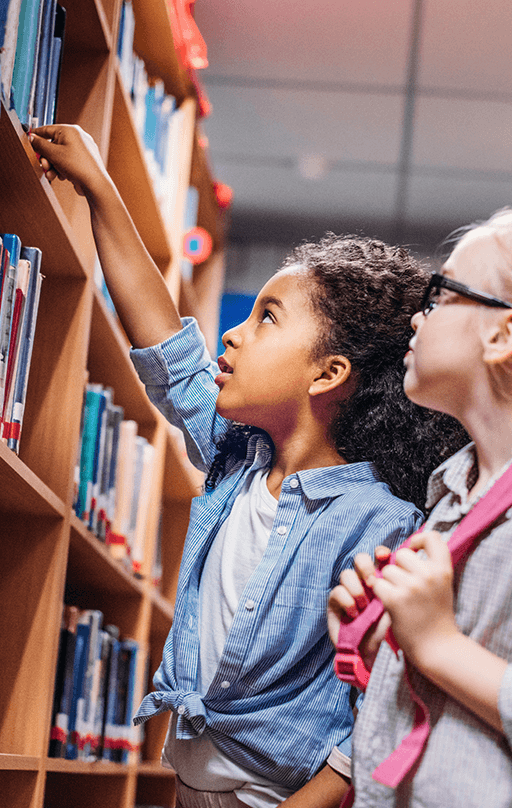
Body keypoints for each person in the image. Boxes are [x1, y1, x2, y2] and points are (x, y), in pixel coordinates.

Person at [29, 124, 465, 808]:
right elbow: (167, 349)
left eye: (266, 318)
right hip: (190, 785)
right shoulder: (238, 455)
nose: (231, 332)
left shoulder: (382, 521)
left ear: (329, 374)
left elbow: (369, 716)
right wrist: (99, 190)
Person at [327, 208, 512, 807]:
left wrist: (436, 644)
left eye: (441, 292)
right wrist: (386, 640)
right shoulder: (454, 490)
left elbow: (449, 652)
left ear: (502, 335)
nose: (417, 315)